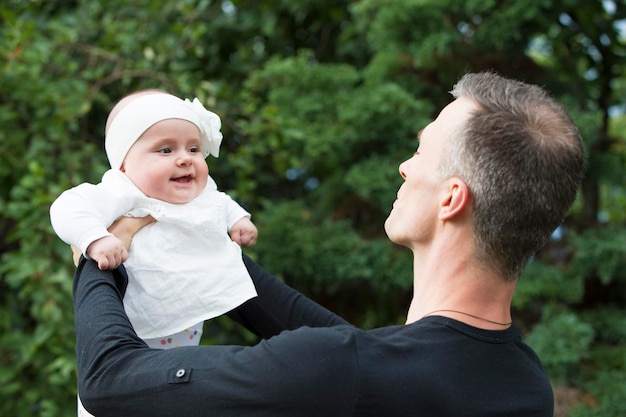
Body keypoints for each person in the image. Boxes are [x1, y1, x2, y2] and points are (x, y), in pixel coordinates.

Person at [70, 72, 585, 416]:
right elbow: (371, 359)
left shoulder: (340, 371)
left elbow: (108, 378)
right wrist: (193, 233)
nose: (404, 166)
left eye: (421, 151)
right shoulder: (523, 385)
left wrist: (101, 256)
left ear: (452, 199)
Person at [50, 91, 259, 416]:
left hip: (181, 330)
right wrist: (95, 238)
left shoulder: (197, 194)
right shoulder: (121, 191)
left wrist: (239, 220)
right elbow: (67, 207)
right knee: (117, 399)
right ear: (123, 164)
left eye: (193, 148)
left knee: (170, 393)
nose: (185, 158)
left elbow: (219, 203)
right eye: (165, 149)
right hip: (126, 330)